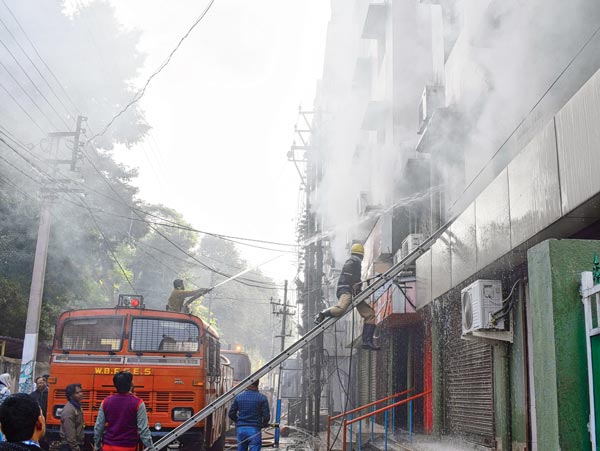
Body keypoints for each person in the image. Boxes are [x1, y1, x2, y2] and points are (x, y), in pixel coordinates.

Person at [314, 243, 381, 350]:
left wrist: (357, 287)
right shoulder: (354, 260)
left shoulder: (354, 260)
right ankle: (322, 314)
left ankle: (367, 341)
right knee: (341, 309)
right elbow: (347, 269)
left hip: (354, 293)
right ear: (361, 255)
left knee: (370, 314)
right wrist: (353, 283)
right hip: (346, 290)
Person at [93, 371, 155, 451]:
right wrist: (151, 447)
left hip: (108, 446)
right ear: (130, 385)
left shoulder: (106, 401)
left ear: (115, 385)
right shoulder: (138, 403)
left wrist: (97, 445)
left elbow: (98, 427)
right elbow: (143, 430)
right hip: (128, 447)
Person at [228, 379, 270, 451]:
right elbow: (266, 416)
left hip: (241, 430)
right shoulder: (262, 398)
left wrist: (238, 421)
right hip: (255, 430)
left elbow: (231, 414)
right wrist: (264, 424)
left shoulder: (238, 397)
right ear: (257, 384)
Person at [59, 384, 84, 451]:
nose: (80, 394)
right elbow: (70, 434)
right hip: (69, 446)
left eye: (80, 391)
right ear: (70, 396)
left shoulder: (77, 407)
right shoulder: (69, 410)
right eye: (77, 393)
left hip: (75, 444)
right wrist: (76, 449)